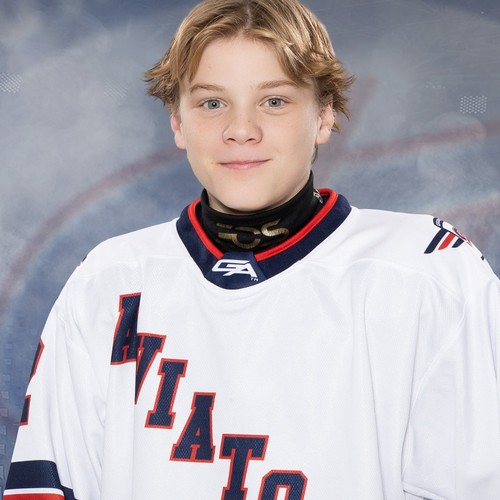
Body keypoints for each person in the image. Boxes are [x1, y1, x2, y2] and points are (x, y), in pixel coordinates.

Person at [4, 0, 500, 498]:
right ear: (177, 121)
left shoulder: (428, 274)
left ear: (324, 114)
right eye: (212, 103)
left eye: (274, 101)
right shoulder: (109, 282)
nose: (241, 130)